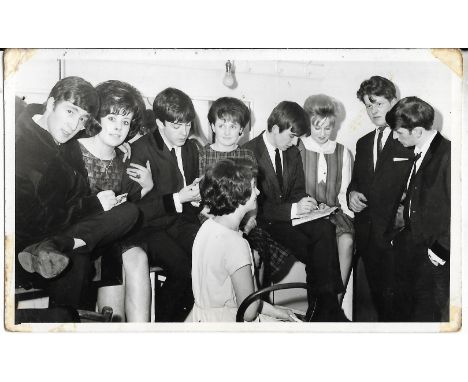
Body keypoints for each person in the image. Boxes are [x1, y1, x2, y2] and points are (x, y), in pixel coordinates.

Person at [15, 76, 139, 311]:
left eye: (82, 118)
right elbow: (34, 220)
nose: (74, 125)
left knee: (129, 212)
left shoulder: (64, 142)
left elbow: (76, 195)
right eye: (70, 112)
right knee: (77, 260)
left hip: (58, 237)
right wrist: (94, 205)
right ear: (51, 104)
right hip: (24, 246)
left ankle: (58, 245)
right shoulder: (20, 147)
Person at [244, 101, 347, 322]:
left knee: (324, 228)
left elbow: (298, 190)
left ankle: (321, 310)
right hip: (262, 221)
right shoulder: (249, 152)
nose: (295, 142)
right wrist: (293, 209)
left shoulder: (291, 151)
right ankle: (326, 310)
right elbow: (254, 205)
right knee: (319, 254)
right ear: (274, 128)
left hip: (288, 218)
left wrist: (308, 203)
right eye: (291, 136)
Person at [62, 80, 151, 322]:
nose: (118, 128)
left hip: (109, 239)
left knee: (137, 258)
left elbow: (126, 204)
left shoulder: (123, 155)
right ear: (97, 117)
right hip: (76, 239)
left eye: (125, 122)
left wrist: (147, 187)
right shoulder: (72, 149)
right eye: (111, 118)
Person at [121, 87, 201, 322]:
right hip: (150, 228)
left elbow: (189, 190)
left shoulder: (190, 148)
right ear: (159, 123)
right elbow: (136, 209)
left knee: (209, 259)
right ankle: (166, 326)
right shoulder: (140, 150)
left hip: (183, 221)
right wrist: (179, 198)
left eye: (188, 124)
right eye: (176, 126)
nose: (184, 132)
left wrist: (198, 196)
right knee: (185, 272)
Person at [187, 159, 296, 322]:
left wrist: (277, 312)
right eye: (253, 187)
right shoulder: (236, 243)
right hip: (228, 325)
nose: (258, 192)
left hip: (200, 318)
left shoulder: (208, 227)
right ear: (237, 194)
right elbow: (249, 312)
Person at [198, 96, 292, 282]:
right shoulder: (202, 155)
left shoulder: (247, 155)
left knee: (255, 255)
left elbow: (253, 198)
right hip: (210, 220)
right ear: (212, 126)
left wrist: (248, 224)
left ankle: (254, 302)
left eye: (233, 126)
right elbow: (201, 201)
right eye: (222, 125)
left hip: (244, 221)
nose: (226, 132)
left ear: (241, 129)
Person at [347, 76, 414, 321]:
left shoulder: (410, 141)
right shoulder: (363, 143)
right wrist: (351, 194)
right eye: (368, 105)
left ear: (394, 102)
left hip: (399, 239)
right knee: (382, 307)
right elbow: (356, 183)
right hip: (369, 238)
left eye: (378, 103)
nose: (372, 110)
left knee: (403, 309)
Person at [386, 97, 450, 322]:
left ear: (419, 131)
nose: (395, 136)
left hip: (434, 256)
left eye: (400, 132)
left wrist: (441, 251)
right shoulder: (422, 149)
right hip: (411, 246)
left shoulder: (448, 156)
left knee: (428, 319)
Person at [298, 94, 354, 304]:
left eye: (328, 128)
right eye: (317, 127)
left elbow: (344, 193)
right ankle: (320, 305)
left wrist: (349, 218)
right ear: (308, 123)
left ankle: (336, 303)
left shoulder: (343, 152)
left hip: (334, 212)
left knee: (347, 241)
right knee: (322, 247)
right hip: (305, 214)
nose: (322, 133)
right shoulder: (297, 148)